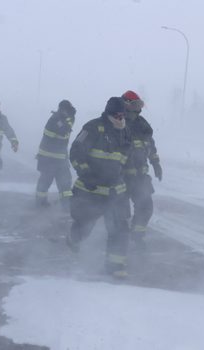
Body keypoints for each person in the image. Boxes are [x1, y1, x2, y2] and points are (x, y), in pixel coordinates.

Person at [67, 97, 132, 278]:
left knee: (119, 229)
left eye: (123, 115)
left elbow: (125, 159)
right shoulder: (93, 128)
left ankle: (115, 267)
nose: (120, 118)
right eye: (117, 114)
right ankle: (73, 239)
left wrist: (128, 180)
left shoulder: (125, 132)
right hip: (91, 190)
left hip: (115, 193)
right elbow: (76, 151)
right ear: (110, 113)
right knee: (84, 227)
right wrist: (86, 173)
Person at [121, 90, 162, 248]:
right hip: (120, 178)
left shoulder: (143, 125)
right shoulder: (117, 123)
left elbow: (150, 146)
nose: (138, 110)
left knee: (146, 208)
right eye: (135, 105)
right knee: (120, 213)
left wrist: (156, 164)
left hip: (140, 178)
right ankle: (117, 240)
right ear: (126, 105)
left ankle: (137, 236)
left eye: (139, 105)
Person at [35, 100, 76, 210]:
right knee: (45, 180)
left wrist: (70, 116)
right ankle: (40, 202)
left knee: (65, 182)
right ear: (62, 110)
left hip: (60, 158)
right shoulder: (55, 120)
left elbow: (68, 127)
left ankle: (66, 204)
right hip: (48, 157)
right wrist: (67, 118)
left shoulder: (64, 119)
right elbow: (64, 131)